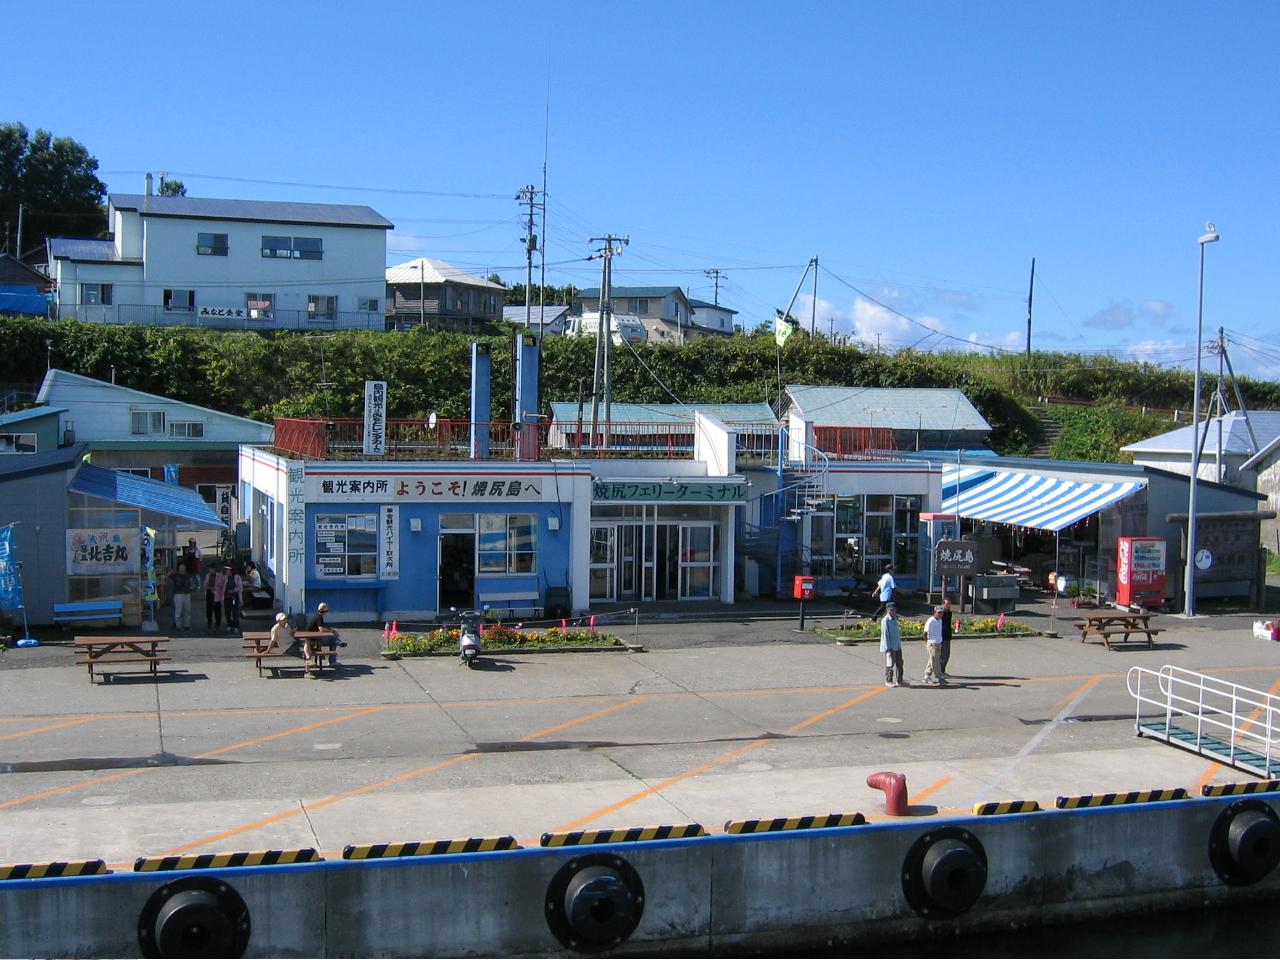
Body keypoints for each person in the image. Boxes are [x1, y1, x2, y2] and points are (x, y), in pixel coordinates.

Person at [168, 562, 199, 631]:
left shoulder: (188, 575)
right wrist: (171, 571)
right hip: (178, 594)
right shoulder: (175, 575)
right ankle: (178, 626)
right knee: (178, 611)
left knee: (187, 610)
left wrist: (192, 587)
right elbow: (168, 575)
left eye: (183, 566)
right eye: (181, 567)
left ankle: (187, 625)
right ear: (178, 568)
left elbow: (192, 584)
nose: (182, 568)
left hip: (187, 593)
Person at [880, 602, 903, 687]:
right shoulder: (885, 621)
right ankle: (888, 681)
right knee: (890, 664)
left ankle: (899, 681)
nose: (893, 611)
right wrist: (888, 649)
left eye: (894, 610)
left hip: (897, 645)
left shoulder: (895, 618)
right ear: (887, 610)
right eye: (891, 610)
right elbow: (885, 635)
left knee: (900, 664)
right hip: (890, 647)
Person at [922, 605, 946, 686]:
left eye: (942, 613)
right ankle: (938, 675)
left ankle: (927, 676)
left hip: (938, 643)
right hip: (932, 643)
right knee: (935, 660)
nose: (940, 615)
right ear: (935, 612)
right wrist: (927, 642)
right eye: (939, 613)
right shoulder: (930, 621)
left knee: (932, 660)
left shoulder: (940, 620)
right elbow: (925, 633)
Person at [223, 565, 243, 634]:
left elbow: (240, 586)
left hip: (234, 596)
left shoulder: (237, 577)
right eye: (226, 570)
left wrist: (234, 590)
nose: (227, 571)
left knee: (235, 611)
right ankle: (229, 625)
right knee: (227, 611)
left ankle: (236, 626)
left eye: (228, 570)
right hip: (226, 596)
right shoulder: (225, 577)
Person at [204, 563, 224, 631]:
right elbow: (205, 584)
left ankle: (218, 623)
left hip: (217, 593)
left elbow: (221, 585)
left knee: (217, 609)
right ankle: (209, 622)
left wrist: (215, 588)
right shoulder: (208, 575)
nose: (210, 570)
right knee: (208, 609)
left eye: (211, 568)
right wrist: (207, 587)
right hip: (209, 593)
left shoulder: (219, 575)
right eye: (209, 569)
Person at [940, 598, 954, 679]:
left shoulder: (949, 613)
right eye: (947, 603)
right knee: (942, 655)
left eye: (949, 603)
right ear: (943, 604)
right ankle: (940, 672)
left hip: (948, 636)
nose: (948, 605)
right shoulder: (941, 613)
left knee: (947, 655)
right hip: (941, 636)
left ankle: (942, 671)